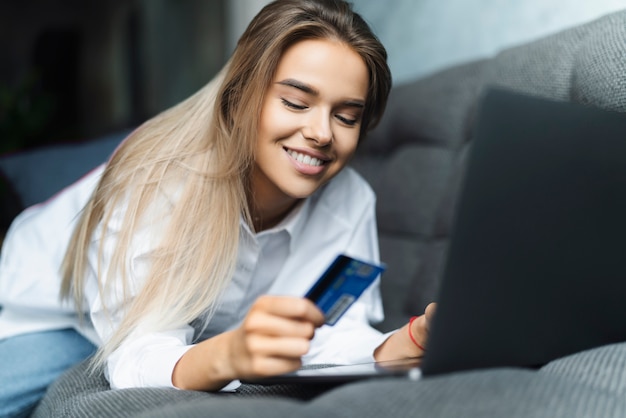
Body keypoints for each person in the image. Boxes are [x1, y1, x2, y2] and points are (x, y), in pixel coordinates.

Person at [0, 0, 435, 415]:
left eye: (346, 117)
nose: (322, 132)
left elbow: (330, 332)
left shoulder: (350, 201)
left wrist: (398, 344)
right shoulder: (158, 186)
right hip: (56, 313)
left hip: (187, 327)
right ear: (241, 94)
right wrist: (228, 353)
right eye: (296, 103)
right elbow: (137, 353)